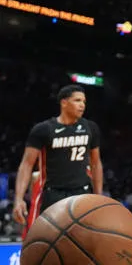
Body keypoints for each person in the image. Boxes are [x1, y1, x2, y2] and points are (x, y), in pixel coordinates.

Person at [13, 85, 103, 230]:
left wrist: (99, 196)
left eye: (84, 102)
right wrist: (18, 199)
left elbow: (96, 163)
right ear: (64, 102)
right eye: (77, 100)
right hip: (51, 194)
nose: (82, 105)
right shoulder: (43, 130)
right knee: (40, 241)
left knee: (83, 244)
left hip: (82, 193)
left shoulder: (90, 128)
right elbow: (26, 165)